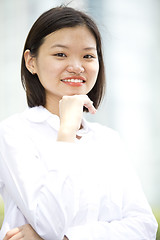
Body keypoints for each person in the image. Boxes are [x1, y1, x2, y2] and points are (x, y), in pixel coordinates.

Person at [0, 5, 158, 240]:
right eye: (60, 54)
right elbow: (49, 222)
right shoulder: (14, 133)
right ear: (30, 61)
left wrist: (66, 238)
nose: (77, 66)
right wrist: (66, 131)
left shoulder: (109, 140)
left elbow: (144, 227)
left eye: (88, 56)